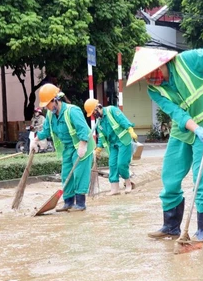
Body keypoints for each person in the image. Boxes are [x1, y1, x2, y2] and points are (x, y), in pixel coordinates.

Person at [128, 44, 203, 242]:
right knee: (170, 175)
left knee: (202, 178)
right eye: (146, 75)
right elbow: (176, 113)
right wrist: (195, 129)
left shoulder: (187, 61)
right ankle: (171, 226)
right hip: (184, 127)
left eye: (152, 72)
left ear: (162, 63)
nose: (151, 78)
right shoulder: (154, 90)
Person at [30, 83, 95, 212]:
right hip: (68, 148)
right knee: (66, 174)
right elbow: (47, 130)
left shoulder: (72, 111)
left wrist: (83, 145)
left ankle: (81, 204)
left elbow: (83, 130)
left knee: (79, 174)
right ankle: (68, 202)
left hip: (81, 145)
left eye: (48, 104)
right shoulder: (50, 115)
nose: (47, 108)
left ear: (56, 100)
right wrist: (35, 139)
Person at [84, 99, 138, 195]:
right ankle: (114, 189)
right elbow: (101, 136)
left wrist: (130, 129)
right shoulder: (99, 122)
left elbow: (123, 120)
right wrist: (99, 148)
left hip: (123, 141)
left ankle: (128, 184)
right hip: (113, 144)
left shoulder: (111, 110)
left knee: (121, 164)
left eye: (93, 113)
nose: (94, 115)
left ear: (98, 107)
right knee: (112, 165)